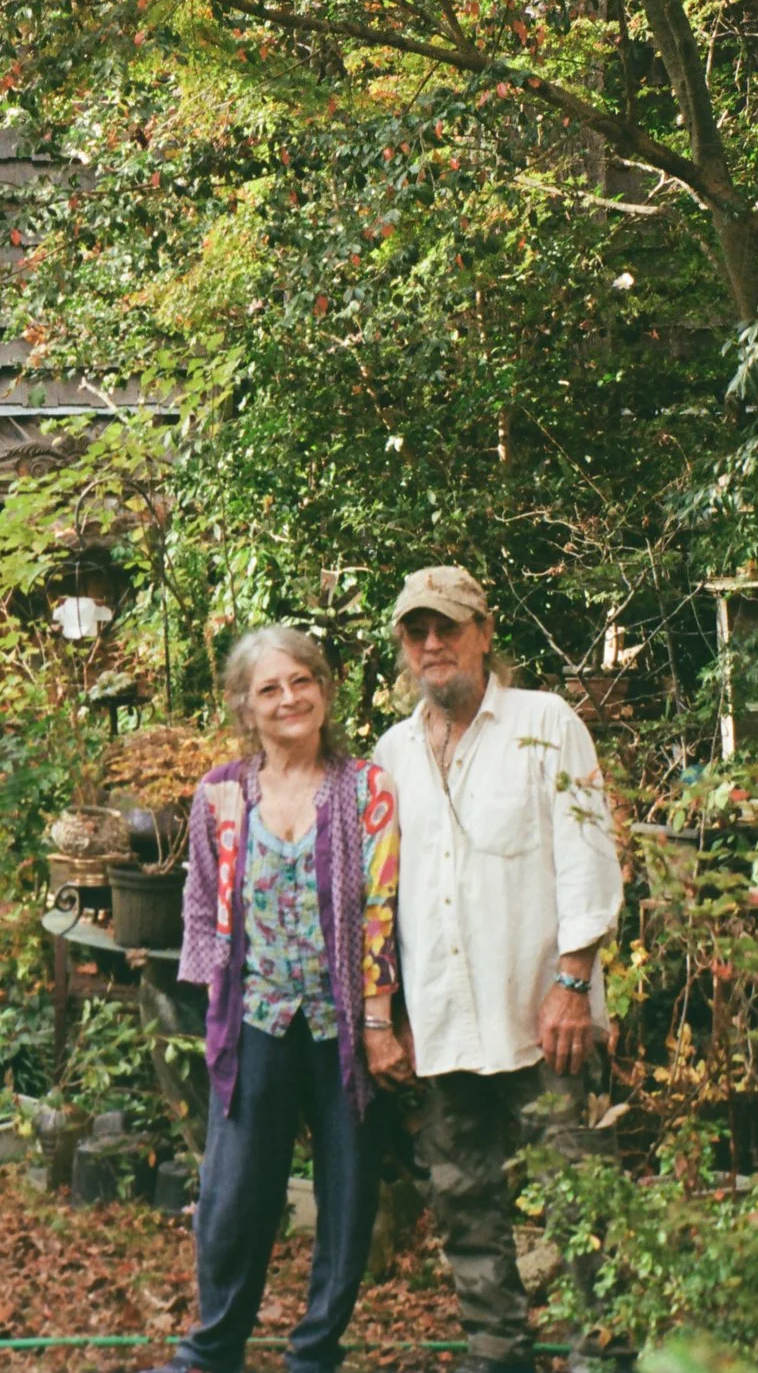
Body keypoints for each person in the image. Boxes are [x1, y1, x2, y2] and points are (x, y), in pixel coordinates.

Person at [369, 566, 625, 1373]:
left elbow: (589, 856)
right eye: (417, 631)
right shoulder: (392, 752)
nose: (433, 644)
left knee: (583, 1199)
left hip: (547, 1018)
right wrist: (392, 1012)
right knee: (465, 1204)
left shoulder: (547, 722)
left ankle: (604, 1356)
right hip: (444, 1023)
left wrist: (574, 982)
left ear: (483, 632)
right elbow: (386, 893)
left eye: (448, 626)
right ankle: (499, 1355)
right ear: (405, 649)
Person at [134, 624, 410, 1373]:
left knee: (347, 1198)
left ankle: (315, 1354)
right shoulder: (221, 793)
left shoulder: (365, 789)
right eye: (269, 688)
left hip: (343, 1025)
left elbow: (381, 908)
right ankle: (211, 1349)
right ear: (244, 707)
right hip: (254, 1018)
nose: (290, 698)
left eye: (302, 681)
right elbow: (198, 899)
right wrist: (209, 997)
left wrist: (381, 1018)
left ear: (324, 688)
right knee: (232, 1197)